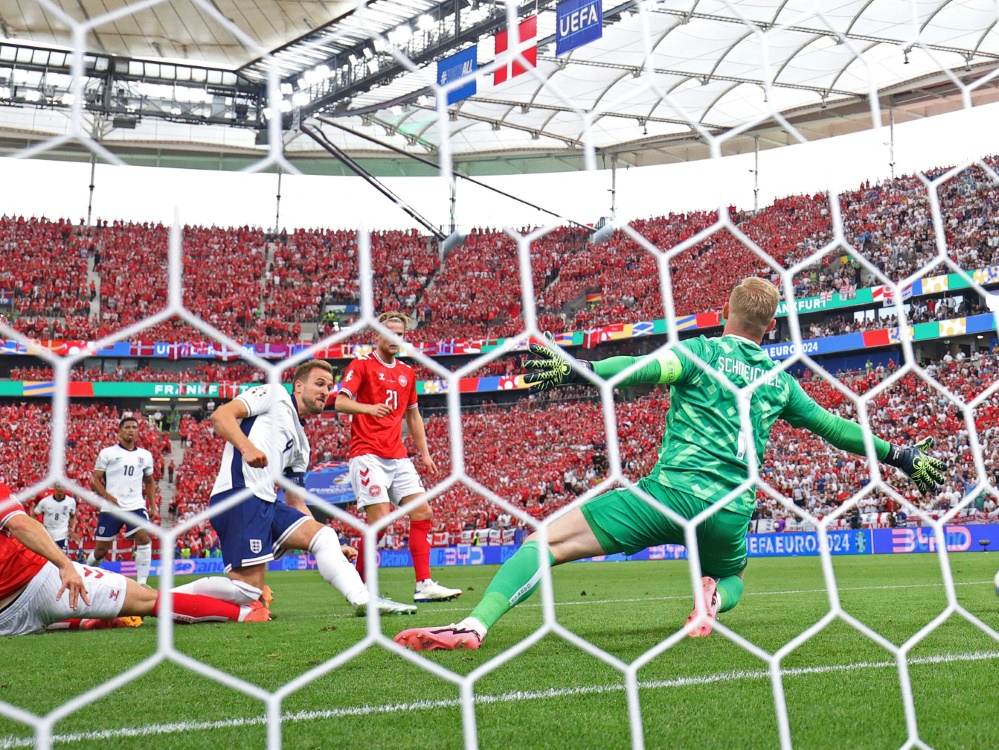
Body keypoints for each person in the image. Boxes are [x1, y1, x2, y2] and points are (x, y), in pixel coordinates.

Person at [395, 278, 947, 651]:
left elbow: (634, 368)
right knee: (732, 576)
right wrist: (900, 454)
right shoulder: (779, 383)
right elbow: (837, 429)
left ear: (726, 315)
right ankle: (711, 596)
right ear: (771, 328)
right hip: (733, 509)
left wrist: (575, 370)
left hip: (671, 495)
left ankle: (474, 624)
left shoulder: (697, 353)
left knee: (546, 541)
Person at [171, 360, 416, 616]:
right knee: (247, 592)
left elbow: (296, 502)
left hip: (265, 501)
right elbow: (221, 415)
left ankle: (365, 601)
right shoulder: (274, 395)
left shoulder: (302, 444)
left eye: (330, 387)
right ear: (298, 386)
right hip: (239, 495)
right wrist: (247, 448)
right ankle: (161, 599)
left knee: (326, 537)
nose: (325, 391)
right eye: (319, 384)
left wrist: (329, 547)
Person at [0, 484, 270, 636]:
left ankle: (91, 618)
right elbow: (21, 524)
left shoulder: (69, 500)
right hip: (38, 578)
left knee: (58, 613)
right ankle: (244, 613)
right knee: (147, 599)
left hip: (7, 619)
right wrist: (65, 565)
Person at [335, 312, 461, 603]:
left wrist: (425, 454)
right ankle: (360, 588)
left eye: (400, 334)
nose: (395, 338)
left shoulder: (407, 373)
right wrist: (368, 409)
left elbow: (413, 416)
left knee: (423, 513)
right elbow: (341, 401)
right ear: (376, 335)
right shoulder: (362, 364)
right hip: (367, 454)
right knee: (380, 519)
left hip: (398, 456)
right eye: (389, 332)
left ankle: (424, 585)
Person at [86, 416, 156, 586]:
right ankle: (85, 574)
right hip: (112, 507)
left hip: (135, 505)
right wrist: (108, 497)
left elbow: (149, 482)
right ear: (120, 432)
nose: (131, 430)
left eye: (134, 427)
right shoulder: (108, 453)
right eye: (127, 427)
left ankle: (142, 584)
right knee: (101, 551)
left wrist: (152, 505)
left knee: (144, 538)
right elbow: (95, 480)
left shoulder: (145, 455)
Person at [33, 484, 77, 552]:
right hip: (47, 535)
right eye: (58, 486)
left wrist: (72, 528)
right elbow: (34, 514)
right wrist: (39, 526)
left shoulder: (71, 502)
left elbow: (73, 516)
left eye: (63, 487)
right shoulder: (45, 501)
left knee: (63, 560)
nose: (60, 489)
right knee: (47, 560)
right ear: (55, 487)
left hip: (62, 535)